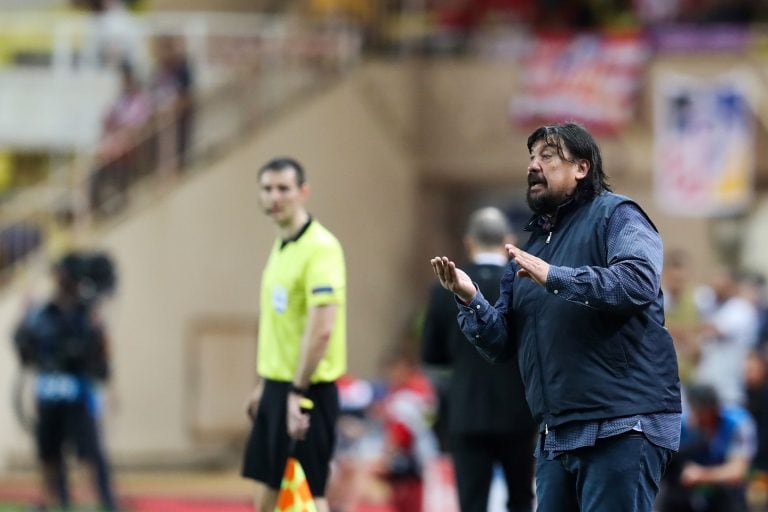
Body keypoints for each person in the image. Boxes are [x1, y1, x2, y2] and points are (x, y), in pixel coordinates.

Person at [429, 122, 681, 512]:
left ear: (581, 168)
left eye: (547, 156)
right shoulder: (529, 251)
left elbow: (637, 281)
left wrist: (555, 277)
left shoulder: (617, 214)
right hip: (557, 434)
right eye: (531, 157)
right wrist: (471, 298)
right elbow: (501, 344)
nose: (534, 166)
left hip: (622, 423)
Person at [241, 157, 347, 512]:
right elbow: (282, 324)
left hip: (306, 392)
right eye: (267, 188)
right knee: (269, 487)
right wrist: (266, 382)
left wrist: (296, 392)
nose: (275, 196)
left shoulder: (321, 247)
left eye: (283, 188)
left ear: (303, 192)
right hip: (277, 385)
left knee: (310, 492)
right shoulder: (282, 245)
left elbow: (322, 328)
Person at [421, 206, 535, 512]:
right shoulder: (523, 284)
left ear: (469, 242)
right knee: (521, 499)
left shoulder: (443, 288)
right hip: (519, 412)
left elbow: (431, 355)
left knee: (472, 504)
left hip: (466, 412)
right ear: (509, 240)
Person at [12, 251, 118, 511]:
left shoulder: (86, 314)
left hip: (79, 393)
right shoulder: (41, 313)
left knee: (90, 451)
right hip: (49, 394)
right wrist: (24, 324)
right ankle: (55, 500)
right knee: (49, 452)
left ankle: (105, 500)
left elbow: (98, 357)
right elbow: (26, 349)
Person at [658, 384, 756, 512]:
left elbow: (737, 471)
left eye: (699, 411)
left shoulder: (738, 423)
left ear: (713, 409)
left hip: (724, 492)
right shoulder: (683, 425)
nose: (694, 415)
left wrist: (701, 475)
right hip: (685, 492)